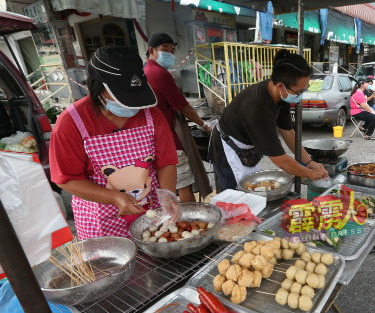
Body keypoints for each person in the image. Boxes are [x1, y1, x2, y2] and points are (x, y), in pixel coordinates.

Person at [49, 47, 178, 240]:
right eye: (122, 96)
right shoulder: (71, 122)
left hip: (151, 212)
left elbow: (166, 162)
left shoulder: (152, 115)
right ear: (98, 88)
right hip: (101, 221)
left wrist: (167, 196)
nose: (133, 106)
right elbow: (67, 179)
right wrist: (115, 197)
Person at [207, 50, 328, 192]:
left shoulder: (281, 95)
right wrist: (310, 173)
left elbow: (288, 132)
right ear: (281, 86)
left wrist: (308, 162)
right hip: (227, 150)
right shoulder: (257, 108)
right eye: (299, 91)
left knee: (252, 191)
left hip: (246, 149)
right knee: (236, 200)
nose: (300, 95)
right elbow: (280, 159)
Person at [144, 33, 210, 202]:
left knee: (168, 186)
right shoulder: (160, 73)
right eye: (166, 49)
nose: (171, 54)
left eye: (173, 50)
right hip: (170, 140)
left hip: (154, 140)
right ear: (152, 50)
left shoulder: (146, 71)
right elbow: (184, 107)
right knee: (184, 185)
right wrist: (204, 124)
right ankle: (192, 220)